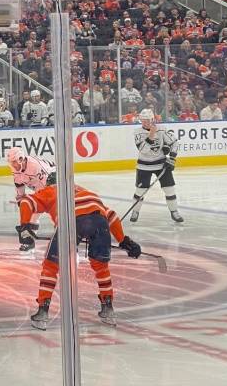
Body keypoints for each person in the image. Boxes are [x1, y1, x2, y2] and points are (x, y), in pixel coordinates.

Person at [17, 183, 142, 330]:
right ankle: (108, 309)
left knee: (51, 267)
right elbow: (112, 216)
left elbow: (26, 201)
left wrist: (25, 227)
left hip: (71, 219)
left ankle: (43, 312)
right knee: (101, 267)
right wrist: (123, 240)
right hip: (99, 220)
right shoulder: (84, 190)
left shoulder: (50, 189)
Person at [128, 109, 183, 223]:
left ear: (152, 119)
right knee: (140, 190)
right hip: (144, 166)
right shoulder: (138, 132)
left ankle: (174, 212)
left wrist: (172, 157)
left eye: (147, 120)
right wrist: (152, 134)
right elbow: (143, 150)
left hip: (161, 164)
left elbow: (174, 143)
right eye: (142, 120)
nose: (145, 123)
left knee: (169, 189)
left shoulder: (162, 129)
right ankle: (135, 211)